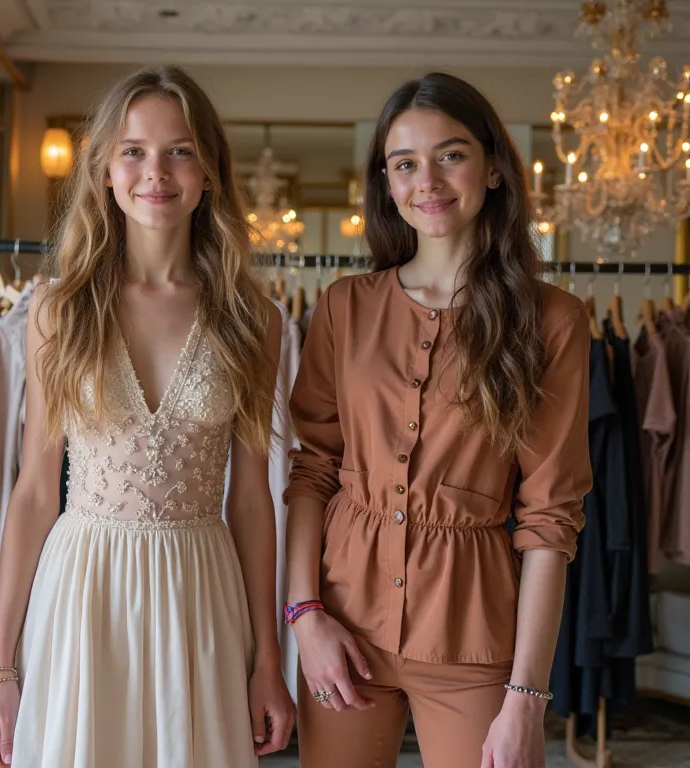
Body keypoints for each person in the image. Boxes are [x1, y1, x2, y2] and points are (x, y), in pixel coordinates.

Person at [0, 65, 295, 767]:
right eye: (134, 151)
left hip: (199, 590)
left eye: (180, 149)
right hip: (83, 592)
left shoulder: (252, 320)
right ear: (106, 172)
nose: (157, 172)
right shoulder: (58, 310)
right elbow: (32, 490)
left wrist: (270, 659)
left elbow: (253, 502)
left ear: (209, 171)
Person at [283, 72, 593, 768]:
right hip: (343, 628)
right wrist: (304, 618)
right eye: (404, 163)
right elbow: (313, 470)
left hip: (473, 639)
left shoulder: (554, 322)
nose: (428, 179)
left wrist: (526, 696)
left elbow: (550, 518)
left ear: (492, 168)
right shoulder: (344, 306)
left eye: (450, 154)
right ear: (387, 183)